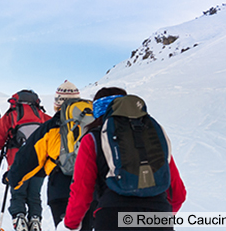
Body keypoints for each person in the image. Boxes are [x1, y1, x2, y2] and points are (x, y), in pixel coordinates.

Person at [60, 87, 187, 231]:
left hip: (112, 216)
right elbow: (178, 194)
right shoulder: (151, 137)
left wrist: (70, 224)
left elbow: (81, 191)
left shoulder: (92, 139)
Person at [7, 81, 96, 230]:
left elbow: (29, 157)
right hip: (92, 186)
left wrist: (13, 178)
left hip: (61, 186)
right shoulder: (95, 120)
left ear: (57, 103)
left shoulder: (51, 126)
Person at [0, 89, 51, 231]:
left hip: (17, 162)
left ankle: (19, 220)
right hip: (39, 162)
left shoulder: (10, 116)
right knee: (34, 195)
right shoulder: (43, 116)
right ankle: (35, 221)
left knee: (18, 193)